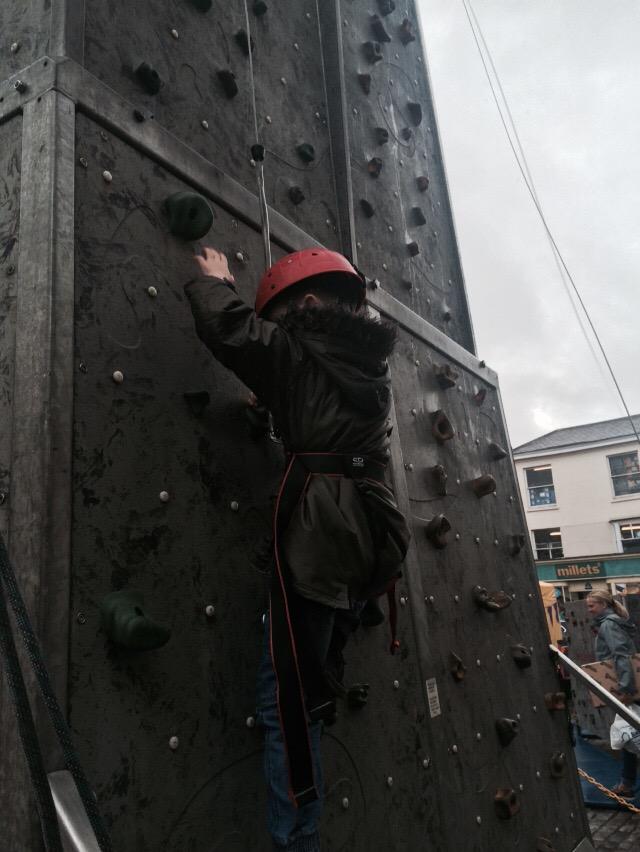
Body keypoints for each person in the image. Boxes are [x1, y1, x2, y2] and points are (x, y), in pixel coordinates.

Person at [184, 246, 410, 851]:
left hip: (320, 532)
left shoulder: (302, 359)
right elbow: (319, 408)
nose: (278, 329)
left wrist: (215, 283)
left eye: (282, 317)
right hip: (365, 530)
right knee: (306, 687)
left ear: (307, 305)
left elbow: (233, 333)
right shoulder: (362, 364)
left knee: (282, 694)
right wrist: (285, 405)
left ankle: (297, 842)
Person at [586, 590, 638, 797]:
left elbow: (620, 655)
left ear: (603, 605)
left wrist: (626, 688)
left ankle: (627, 784)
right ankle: (627, 783)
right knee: (627, 733)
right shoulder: (614, 622)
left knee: (627, 734)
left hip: (625, 687)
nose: (589, 610)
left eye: (592, 606)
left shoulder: (608, 624)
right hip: (628, 684)